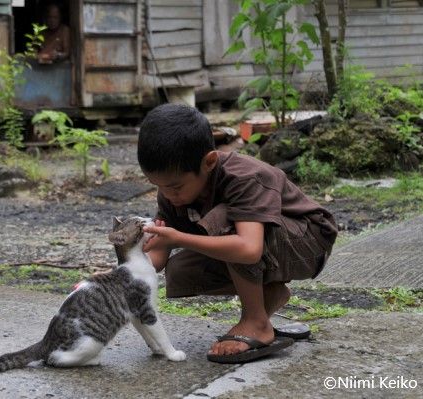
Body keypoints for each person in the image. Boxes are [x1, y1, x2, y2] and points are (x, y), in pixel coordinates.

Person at [138, 103, 338, 364]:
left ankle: (256, 322)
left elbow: (248, 248)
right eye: (159, 186)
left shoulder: (243, 177)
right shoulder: (172, 191)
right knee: (181, 270)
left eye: (174, 187)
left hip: (308, 242)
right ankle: (270, 294)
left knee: (223, 219)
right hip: (265, 244)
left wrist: (179, 238)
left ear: (209, 162)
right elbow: (157, 254)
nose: (167, 194)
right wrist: (114, 276)